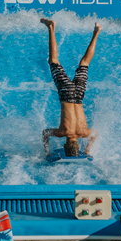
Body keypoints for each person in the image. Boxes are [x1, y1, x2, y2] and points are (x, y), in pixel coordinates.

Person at [40, 16, 100, 158]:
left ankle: (97, 31)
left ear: (78, 145)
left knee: (84, 63)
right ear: (65, 145)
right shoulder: (62, 133)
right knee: (53, 61)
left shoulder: (84, 133)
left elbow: (95, 134)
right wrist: (47, 151)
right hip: (66, 93)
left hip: (79, 95)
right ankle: (51, 27)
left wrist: (88, 149)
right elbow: (45, 133)